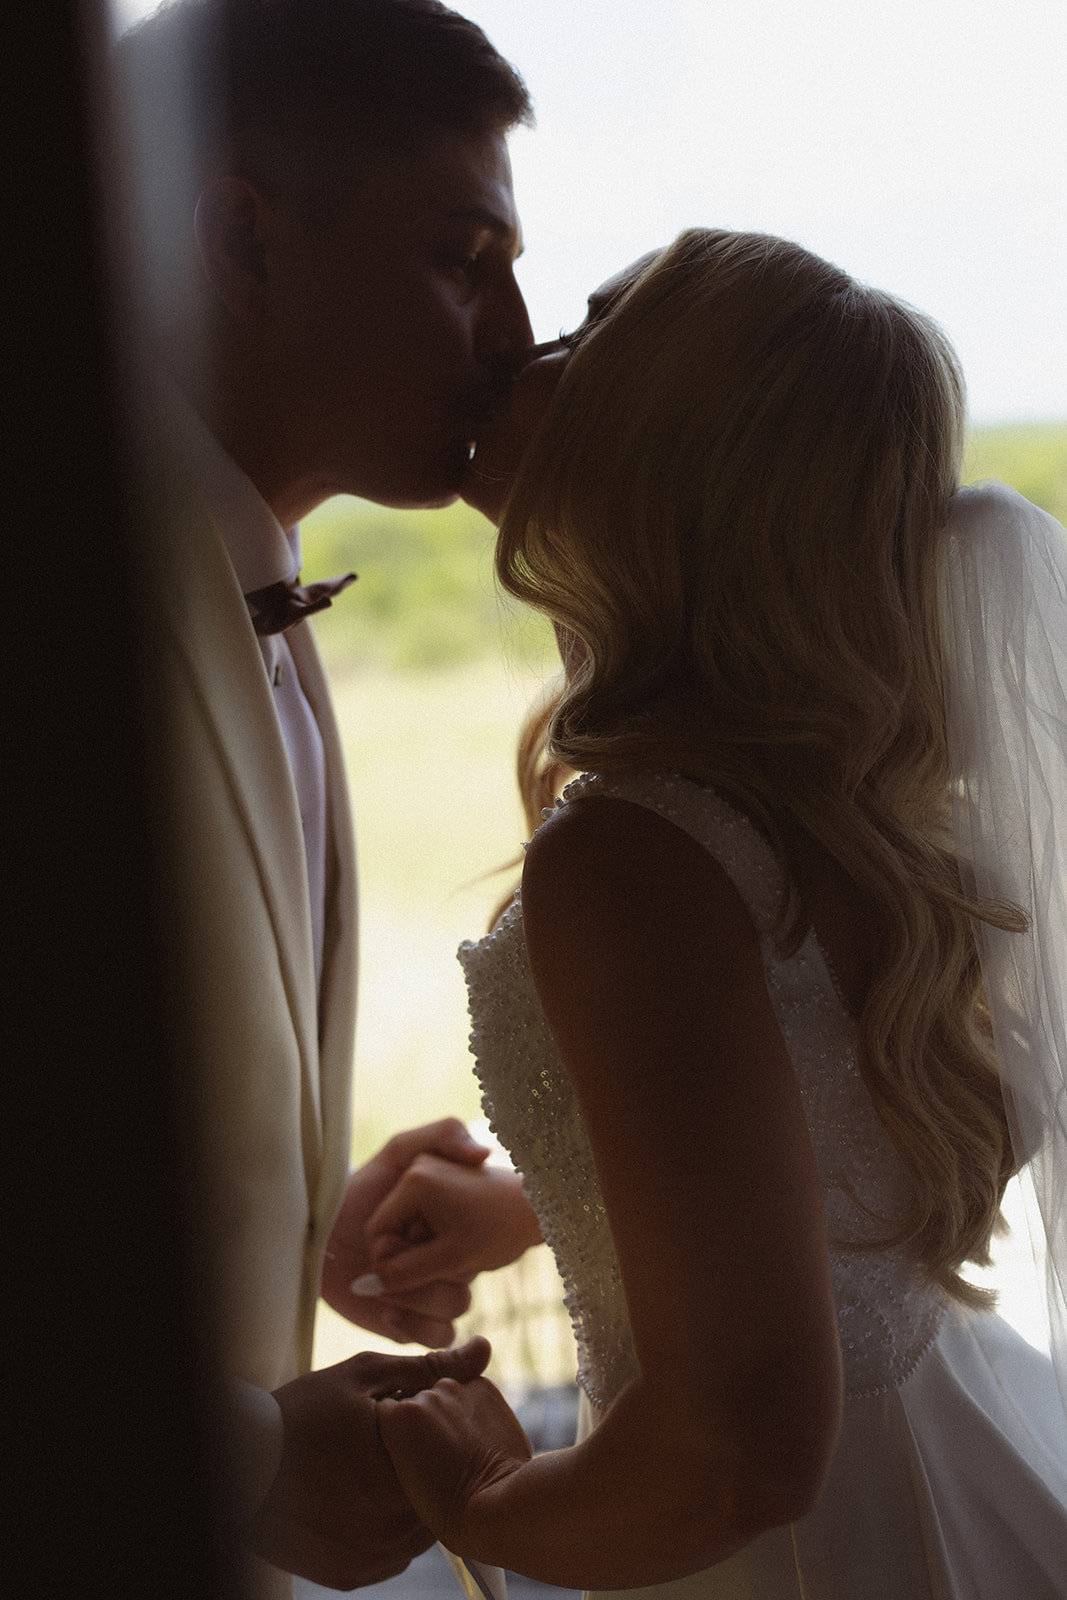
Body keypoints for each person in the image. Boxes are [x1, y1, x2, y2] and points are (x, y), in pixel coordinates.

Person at [369, 230, 1067, 1597]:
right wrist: (546, 1202)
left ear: (672, 445)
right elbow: (841, 1161)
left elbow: (738, 1456)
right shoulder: (843, 798)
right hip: (956, 1458)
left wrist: (480, 1500)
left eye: (582, 342)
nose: (519, 357)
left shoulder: (637, 852)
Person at [113, 1, 541, 1592]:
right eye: (464, 257)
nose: (513, 330)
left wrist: (297, 1219)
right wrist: (251, 1452)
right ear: (243, 243)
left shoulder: (253, 589)